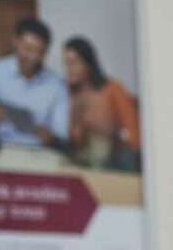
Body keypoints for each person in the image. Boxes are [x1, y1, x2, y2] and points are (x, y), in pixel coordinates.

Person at [0, 17, 70, 153]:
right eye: (28, 48)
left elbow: (61, 134)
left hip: (40, 153)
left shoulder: (57, 85)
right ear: (15, 42)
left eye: (39, 52)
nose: (32, 57)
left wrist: (49, 136)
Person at [60, 37, 140, 171]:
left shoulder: (112, 89)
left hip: (114, 159)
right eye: (66, 64)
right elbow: (71, 137)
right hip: (81, 160)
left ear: (88, 64)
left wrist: (114, 140)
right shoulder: (67, 94)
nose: (69, 70)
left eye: (74, 63)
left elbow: (134, 136)